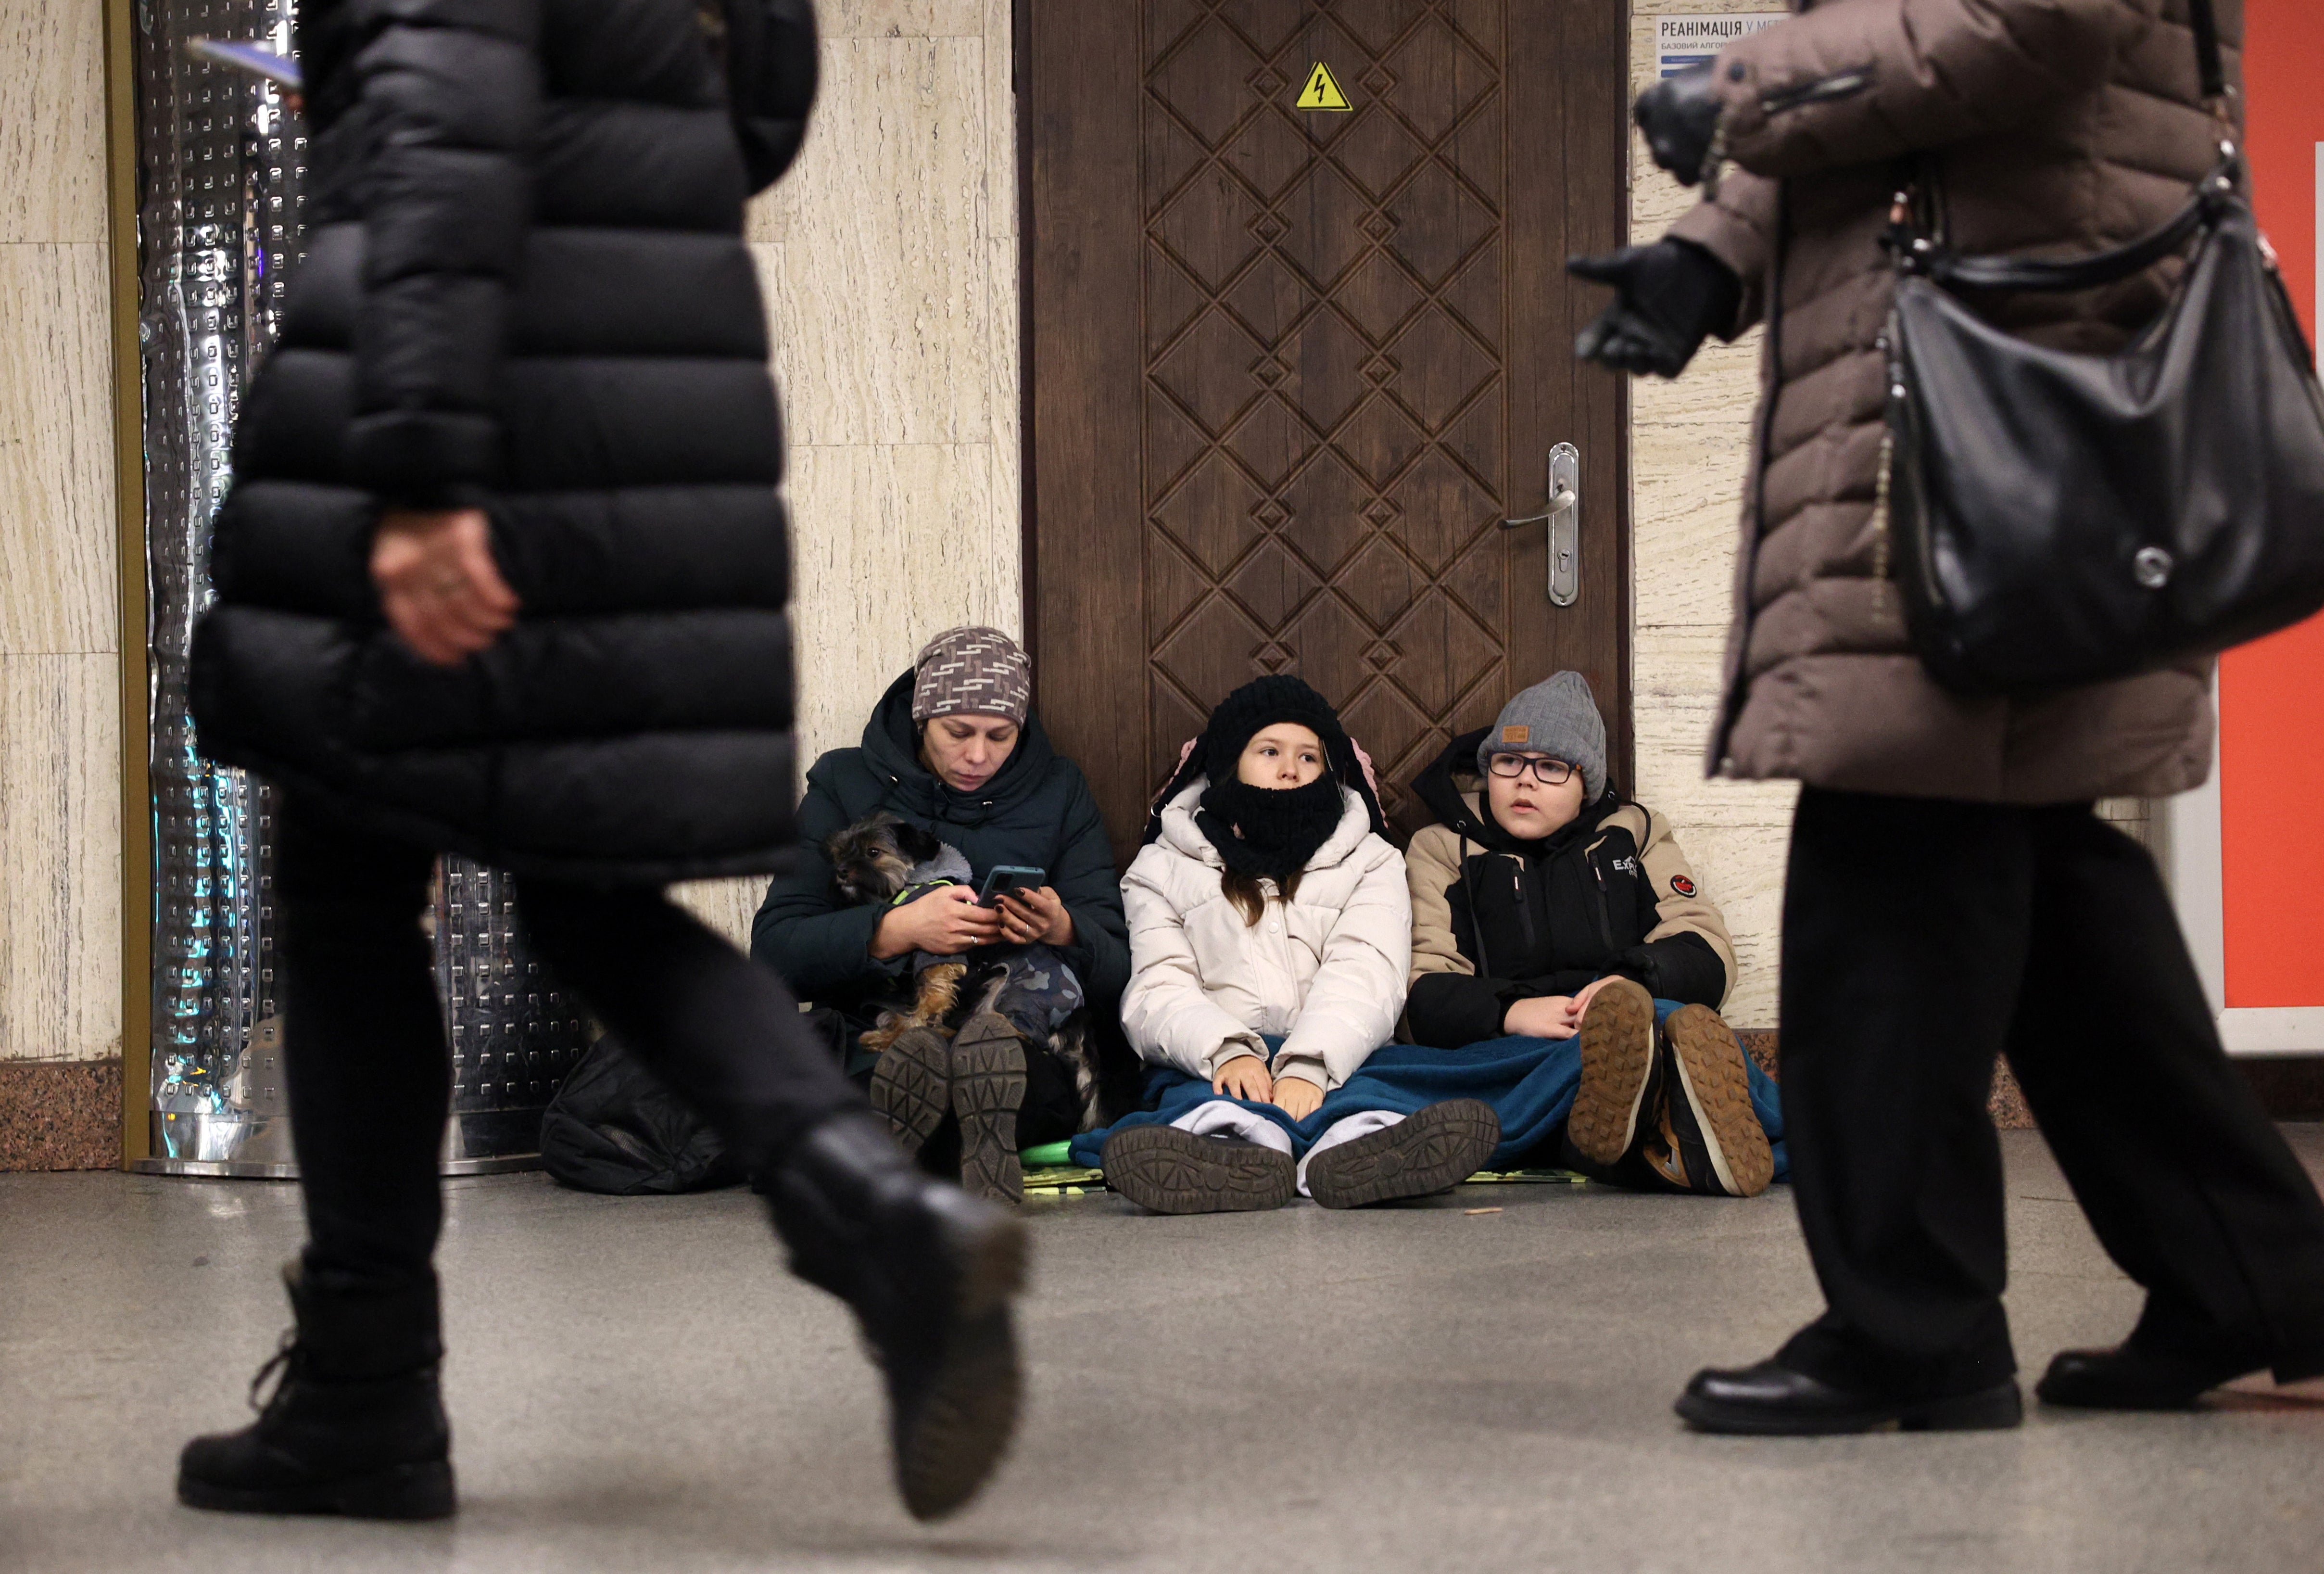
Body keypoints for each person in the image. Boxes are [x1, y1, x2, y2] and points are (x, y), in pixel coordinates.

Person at [177, 0, 1023, 1523]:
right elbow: (756, 117)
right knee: (591, 900)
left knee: (347, 883)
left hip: (495, 430)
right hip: (646, 414)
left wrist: (423, 465)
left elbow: (439, 130)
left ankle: (363, 1398)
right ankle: (881, 1220)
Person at [1573, 0, 2324, 1433]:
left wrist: (1738, 79)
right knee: (2049, 899)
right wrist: (1705, 252)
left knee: (1891, 866)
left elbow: (2010, 28)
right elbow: (1891, 94)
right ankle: (2252, 1276)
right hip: (1983, 421)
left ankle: (1909, 1322)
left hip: (2001, 436)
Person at [1090, 676, 1501, 1212]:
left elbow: (1367, 968)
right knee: (1199, 1102)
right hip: (1213, 1057)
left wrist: (1310, 1061)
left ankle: (1358, 1154)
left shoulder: (1369, 859)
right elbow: (1157, 981)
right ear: (1229, 762)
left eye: (1309, 756)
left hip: (1338, 1052)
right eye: (1269, 751)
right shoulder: (1161, 867)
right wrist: (1226, 1050)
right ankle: (1231, 1154)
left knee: (1365, 1097)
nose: (1290, 768)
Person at [752, 626, 1131, 1203]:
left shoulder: (1060, 791)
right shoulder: (843, 782)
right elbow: (775, 950)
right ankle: (959, 1150)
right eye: (957, 732)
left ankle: (884, 1152)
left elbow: (1118, 962)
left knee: (1003, 1073)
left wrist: (1064, 928)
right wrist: (894, 930)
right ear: (921, 718)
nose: (978, 755)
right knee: (902, 1072)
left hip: (1014, 1035)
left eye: (999, 736)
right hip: (880, 1032)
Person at [1403, 673, 1780, 1198]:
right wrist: (1511, 1012)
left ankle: (1659, 1124)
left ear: (1588, 784)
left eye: (1551, 767)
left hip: (1630, 1021)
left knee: (1675, 1022)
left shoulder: (1636, 832)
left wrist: (1628, 983)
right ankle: (1673, 1143)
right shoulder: (1442, 848)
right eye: (1508, 761)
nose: (1524, 781)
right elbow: (1423, 983)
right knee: (1403, 1070)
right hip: (1515, 1044)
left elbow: (1705, 944)